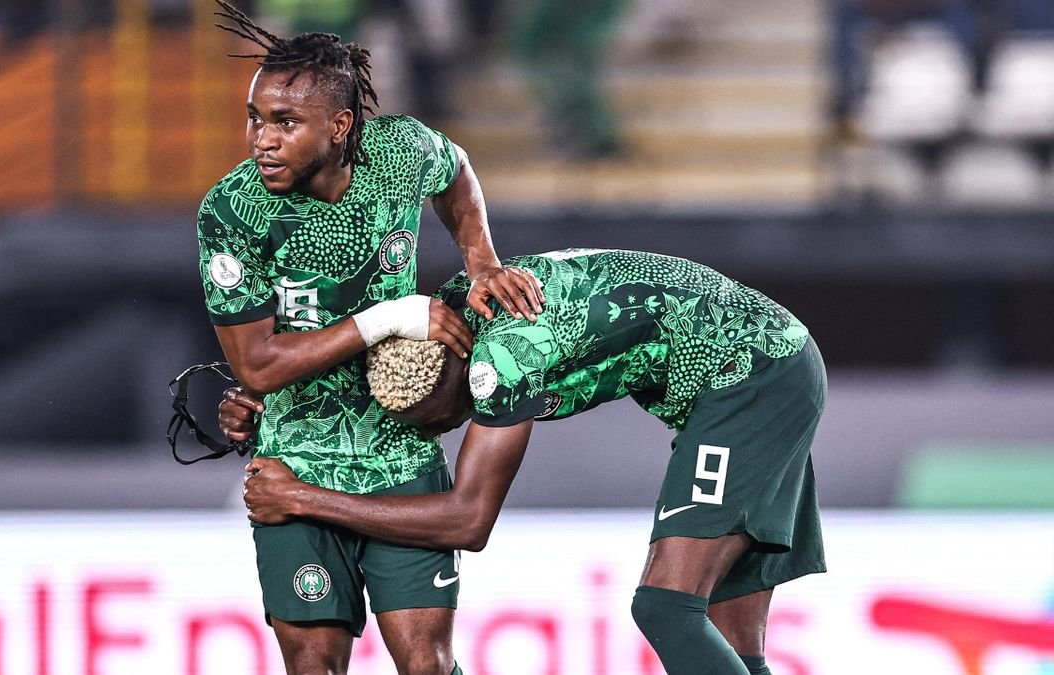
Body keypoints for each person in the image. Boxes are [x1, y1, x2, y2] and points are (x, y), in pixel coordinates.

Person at [227, 248, 827, 675]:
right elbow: (358, 370)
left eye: (441, 420)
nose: (439, 433)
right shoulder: (439, 318)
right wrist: (265, 403)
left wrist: (301, 497)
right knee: (730, 638)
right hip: (770, 361)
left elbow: (469, 522)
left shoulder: (501, 364)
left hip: (750, 374)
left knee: (666, 605)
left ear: (462, 379)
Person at [194, 3, 544, 674]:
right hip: (293, 465)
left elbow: (457, 171)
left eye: (285, 122)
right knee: (314, 664)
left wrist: (482, 261)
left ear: (341, 125)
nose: (261, 139)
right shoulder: (232, 212)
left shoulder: (400, 151)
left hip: (400, 457)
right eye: (255, 118)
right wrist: (392, 316)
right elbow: (259, 366)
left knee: (427, 663)